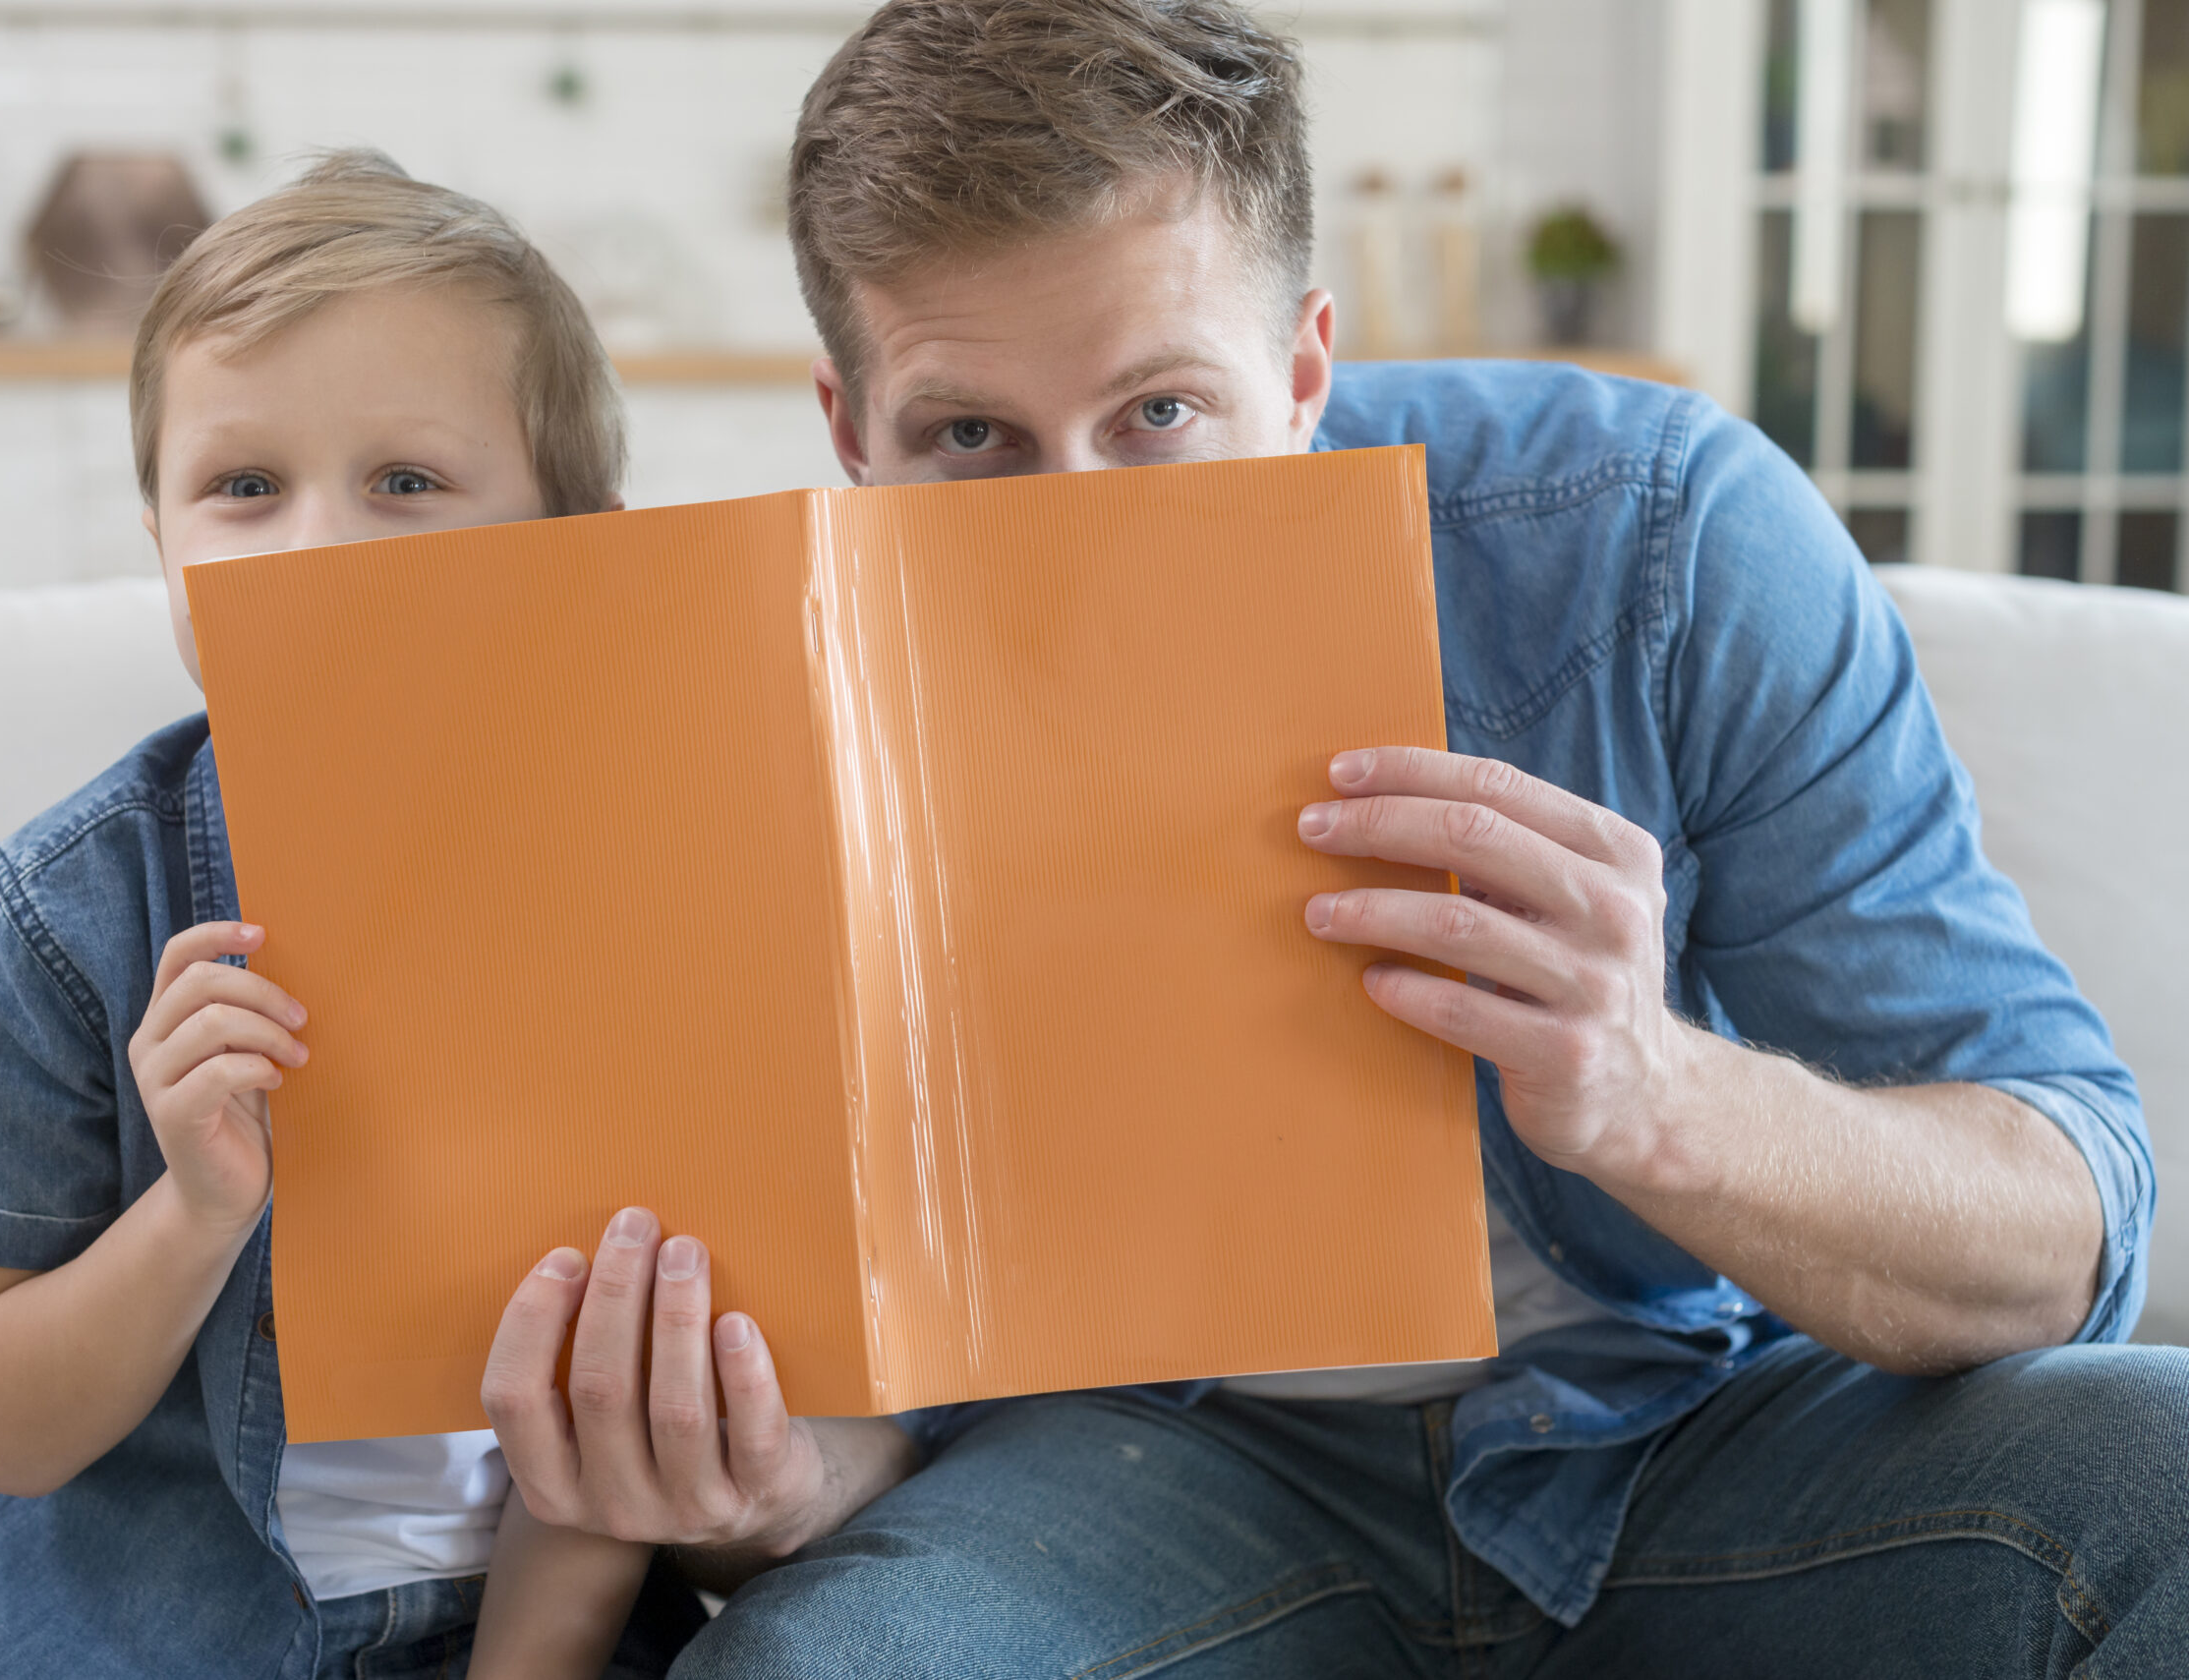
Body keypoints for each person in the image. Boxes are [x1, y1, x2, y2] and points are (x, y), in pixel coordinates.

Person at [475, 3, 2189, 1673]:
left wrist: (1658, 1096)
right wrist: (757, 1500)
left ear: (1303, 369)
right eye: (972, 438)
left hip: (1687, 1437)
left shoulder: (1653, 536)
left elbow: (2068, 1227)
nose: (1081, 537)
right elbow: (862, 1439)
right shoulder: (745, 713)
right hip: (1142, 1479)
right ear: (854, 439)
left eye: (1160, 413)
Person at [0, 151, 706, 1679]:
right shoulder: (53, 918)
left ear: (577, 546)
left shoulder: (653, 891)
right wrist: (195, 1211)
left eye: (405, 481)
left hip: (539, 1633)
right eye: (243, 487)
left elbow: (626, 1386)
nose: (317, 553)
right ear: (161, 543)